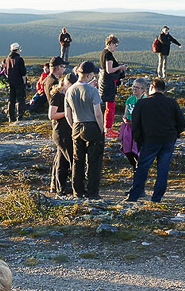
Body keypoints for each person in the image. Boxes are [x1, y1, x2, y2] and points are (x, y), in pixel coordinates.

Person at [126, 78, 185, 203]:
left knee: (142, 168)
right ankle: (157, 198)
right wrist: (176, 134)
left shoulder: (142, 104)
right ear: (163, 90)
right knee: (163, 169)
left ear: (151, 88)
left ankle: (134, 196)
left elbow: (136, 125)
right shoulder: (172, 103)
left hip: (149, 140)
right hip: (168, 140)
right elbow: (182, 123)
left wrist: (139, 140)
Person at [65, 61, 105, 198]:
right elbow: (98, 113)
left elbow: (67, 113)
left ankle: (78, 190)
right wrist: (102, 129)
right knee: (94, 161)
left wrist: (73, 126)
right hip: (92, 126)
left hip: (77, 124)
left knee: (77, 160)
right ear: (88, 75)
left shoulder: (69, 90)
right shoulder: (92, 90)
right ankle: (93, 192)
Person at [48, 70, 75, 194]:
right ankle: (66, 187)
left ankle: (60, 187)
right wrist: (67, 113)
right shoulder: (58, 95)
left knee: (62, 161)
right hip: (61, 132)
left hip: (66, 131)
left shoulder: (66, 95)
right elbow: (52, 114)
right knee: (70, 160)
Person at [99, 35, 128, 136]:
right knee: (110, 107)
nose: (116, 47)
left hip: (105, 82)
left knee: (109, 106)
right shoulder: (108, 54)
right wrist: (120, 67)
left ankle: (107, 128)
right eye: (115, 45)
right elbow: (109, 70)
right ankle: (108, 129)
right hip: (109, 83)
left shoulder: (104, 53)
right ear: (110, 44)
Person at [119, 76, 147, 168]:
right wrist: (125, 118)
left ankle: (140, 165)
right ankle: (133, 164)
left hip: (139, 129)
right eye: (133, 87)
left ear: (143, 89)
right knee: (127, 148)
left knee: (137, 148)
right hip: (128, 127)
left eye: (137, 87)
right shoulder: (130, 99)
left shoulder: (145, 101)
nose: (134, 89)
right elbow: (125, 113)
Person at [2, 43, 28, 124]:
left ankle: (10, 116)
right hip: (19, 82)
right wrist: (24, 81)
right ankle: (20, 116)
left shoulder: (7, 59)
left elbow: (5, 72)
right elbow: (23, 72)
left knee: (11, 99)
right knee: (20, 99)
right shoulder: (19, 59)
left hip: (11, 82)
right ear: (17, 49)